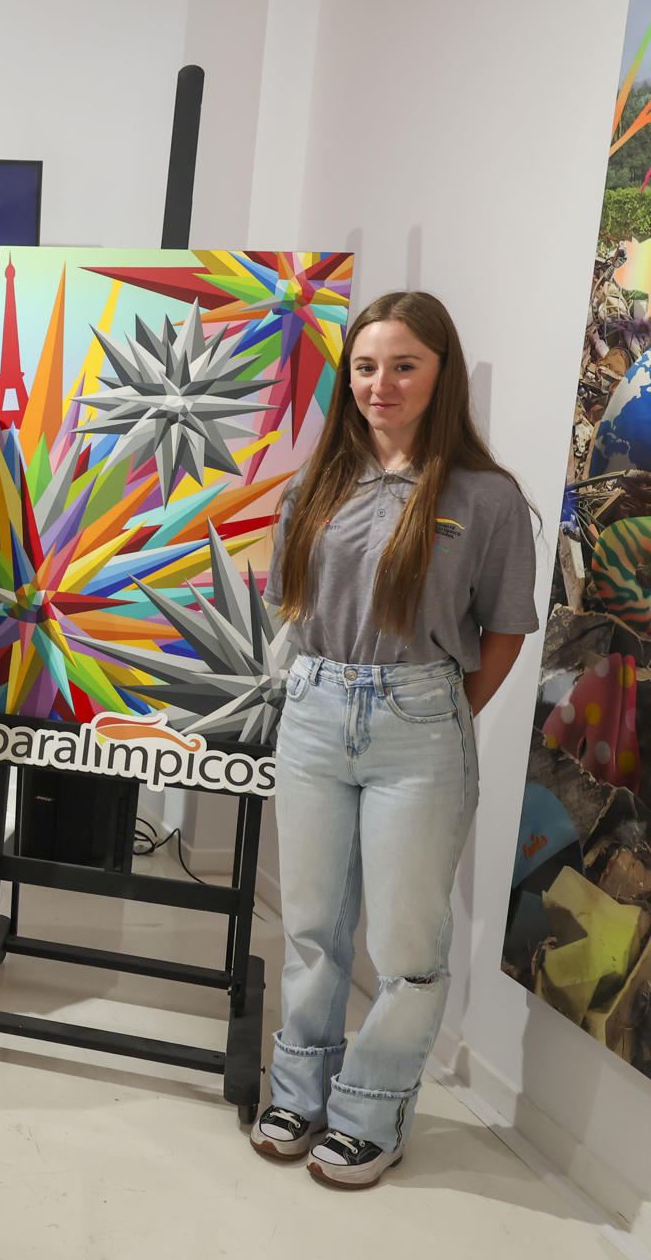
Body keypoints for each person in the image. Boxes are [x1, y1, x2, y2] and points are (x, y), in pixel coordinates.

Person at [251, 292, 537, 1188]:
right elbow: (290, 605)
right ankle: (299, 1092)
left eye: (404, 364)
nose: (382, 384)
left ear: (440, 375)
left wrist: (435, 712)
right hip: (314, 713)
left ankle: (370, 1114)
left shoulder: (486, 500)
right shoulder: (318, 482)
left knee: (408, 947)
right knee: (310, 926)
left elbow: (503, 632)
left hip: (420, 725)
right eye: (366, 366)